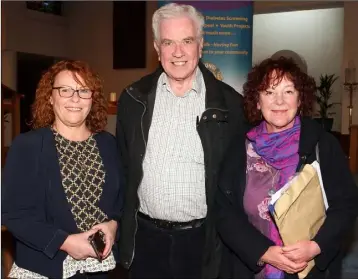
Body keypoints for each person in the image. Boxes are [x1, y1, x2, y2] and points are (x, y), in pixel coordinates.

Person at [116, 3, 246, 278]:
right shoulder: (133, 100)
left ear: (201, 45)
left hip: (203, 243)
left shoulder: (232, 106)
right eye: (168, 42)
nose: (177, 52)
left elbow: (238, 184)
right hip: (145, 240)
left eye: (186, 41)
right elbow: (124, 170)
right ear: (156, 47)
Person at [215, 56, 358, 279]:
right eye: (269, 92)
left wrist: (316, 246)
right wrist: (263, 251)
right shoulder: (239, 148)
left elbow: (346, 206)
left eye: (288, 92)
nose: (279, 101)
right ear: (257, 101)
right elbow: (224, 212)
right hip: (251, 268)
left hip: (309, 270)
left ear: (300, 99)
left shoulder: (322, 144)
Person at [2, 60, 123, 279]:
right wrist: (64, 242)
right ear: (50, 97)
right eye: (65, 90)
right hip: (45, 268)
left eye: (83, 90)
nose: (75, 98)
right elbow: (13, 214)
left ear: (92, 98)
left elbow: (121, 201)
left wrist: (113, 225)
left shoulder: (109, 144)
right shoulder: (28, 146)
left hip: (98, 268)